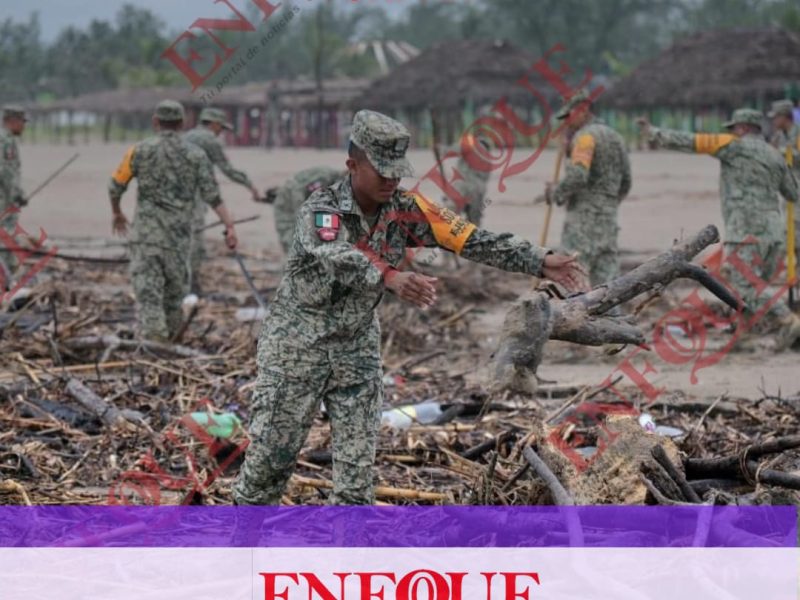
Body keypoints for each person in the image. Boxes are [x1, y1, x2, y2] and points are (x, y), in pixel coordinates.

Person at [232, 109, 587, 506]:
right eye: (381, 171)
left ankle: (346, 561)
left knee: (355, 480)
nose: (391, 180)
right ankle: (241, 553)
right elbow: (336, 254)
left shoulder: (407, 208)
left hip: (356, 352)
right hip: (296, 349)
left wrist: (538, 259)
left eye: (397, 172)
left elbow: (470, 238)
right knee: (268, 467)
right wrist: (390, 275)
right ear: (352, 165)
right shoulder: (322, 209)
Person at [639, 108, 800, 350]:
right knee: (752, 289)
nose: (732, 132)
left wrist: (654, 133)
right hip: (774, 233)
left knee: (744, 286)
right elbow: (792, 192)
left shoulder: (733, 146)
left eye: (734, 128)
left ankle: (787, 319)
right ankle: (742, 338)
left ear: (743, 128)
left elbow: (691, 141)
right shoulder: (775, 154)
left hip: (745, 230)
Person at [108, 100, 239, 341]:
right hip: (178, 241)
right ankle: (171, 345)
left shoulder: (138, 151)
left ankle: (154, 345)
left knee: (149, 296)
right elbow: (213, 196)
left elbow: (115, 186)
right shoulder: (196, 154)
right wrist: (229, 226)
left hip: (146, 238)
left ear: (155, 122)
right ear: (182, 124)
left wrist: (117, 213)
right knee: (173, 298)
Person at [545, 89, 632, 287]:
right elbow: (626, 181)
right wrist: (608, 203)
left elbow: (577, 176)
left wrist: (555, 192)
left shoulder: (584, 138)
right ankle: (610, 318)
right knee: (608, 285)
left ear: (582, 111)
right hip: (608, 219)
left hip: (582, 221)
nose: (566, 122)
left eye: (569, 116)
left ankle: (575, 317)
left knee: (573, 277)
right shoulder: (616, 137)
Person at [184, 107, 259, 291]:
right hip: (193, 193)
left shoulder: (186, 136)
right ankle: (190, 283)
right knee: (194, 238)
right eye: (221, 129)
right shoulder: (208, 140)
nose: (220, 133)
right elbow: (227, 169)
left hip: (173, 194)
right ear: (215, 124)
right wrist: (250, 185)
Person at [265, 166, 345, 254]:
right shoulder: (326, 178)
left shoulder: (338, 187)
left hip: (297, 203)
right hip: (288, 206)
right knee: (293, 244)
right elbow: (297, 191)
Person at [0, 105, 29, 280]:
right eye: (22, 122)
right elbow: (6, 171)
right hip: (4, 199)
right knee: (6, 233)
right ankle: (6, 274)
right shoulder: (7, 141)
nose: (24, 126)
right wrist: (17, 195)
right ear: (12, 121)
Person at [441, 134, 492, 226]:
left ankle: (446, 235)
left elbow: (451, 151)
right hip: (478, 190)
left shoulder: (470, 146)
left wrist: (440, 149)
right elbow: (486, 179)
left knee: (450, 214)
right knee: (474, 221)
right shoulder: (488, 159)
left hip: (463, 185)